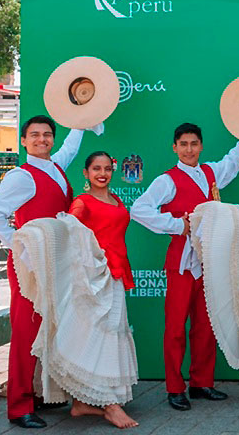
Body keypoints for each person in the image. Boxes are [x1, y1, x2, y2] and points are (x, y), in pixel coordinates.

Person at [0, 115, 95, 429]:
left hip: (54, 260)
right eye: (34, 135)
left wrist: (82, 120)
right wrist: (21, 246)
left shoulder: (55, 167)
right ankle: (19, 407)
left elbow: (69, 150)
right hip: (28, 265)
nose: (41, 139)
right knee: (26, 333)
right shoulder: (21, 176)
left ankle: (41, 394)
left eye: (47, 135)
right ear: (23, 141)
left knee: (50, 329)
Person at [129, 123, 239, 411]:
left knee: (205, 325)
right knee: (174, 328)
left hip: (210, 262)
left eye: (194, 143)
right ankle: (174, 388)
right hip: (182, 263)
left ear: (201, 146)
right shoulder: (167, 180)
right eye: (183, 144)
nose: (189, 149)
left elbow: (234, 160)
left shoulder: (211, 172)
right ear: (175, 147)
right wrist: (175, 225)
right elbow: (138, 209)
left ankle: (201, 383)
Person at [59, 151, 139, 428]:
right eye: (96, 169)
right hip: (95, 277)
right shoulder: (82, 203)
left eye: (106, 168)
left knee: (109, 333)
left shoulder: (116, 200)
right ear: (86, 173)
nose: (102, 173)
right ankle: (110, 405)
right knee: (99, 336)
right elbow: (69, 232)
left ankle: (81, 403)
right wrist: (91, 265)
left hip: (115, 272)